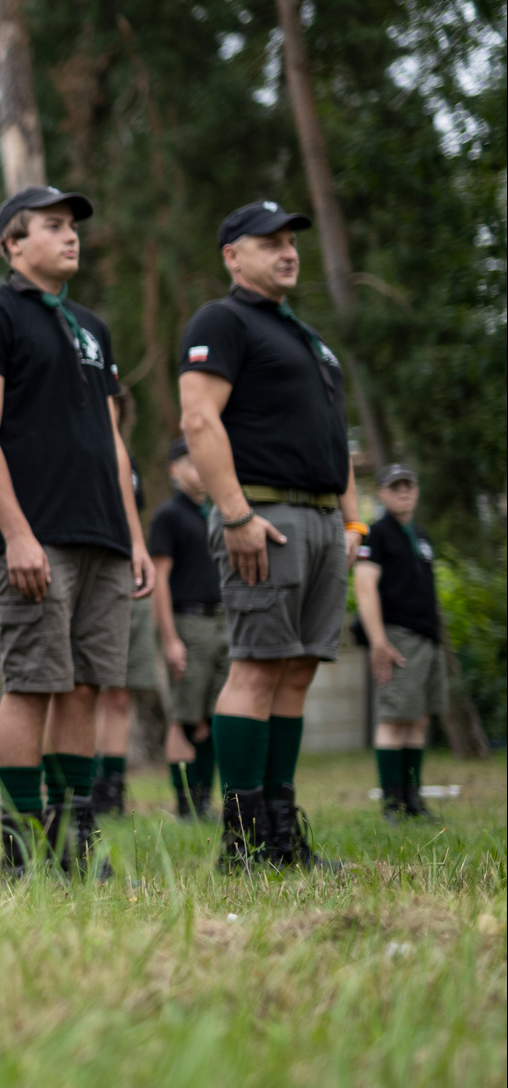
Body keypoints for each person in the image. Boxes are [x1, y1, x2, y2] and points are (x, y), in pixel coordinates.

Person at [0, 186, 153, 879]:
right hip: (37, 537)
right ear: (13, 243)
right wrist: (16, 534)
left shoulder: (91, 327)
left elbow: (112, 440)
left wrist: (134, 536)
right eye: (54, 226)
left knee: (86, 687)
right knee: (33, 684)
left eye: (73, 226)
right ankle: (19, 846)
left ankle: (74, 842)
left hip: (104, 535)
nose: (72, 236)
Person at [179, 201, 358, 871]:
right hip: (264, 517)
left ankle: (281, 835)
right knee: (256, 668)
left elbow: (334, 436)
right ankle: (245, 841)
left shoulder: (305, 336)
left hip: (322, 519)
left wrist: (353, 522)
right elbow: (199, 419)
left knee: (297, 670)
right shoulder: (221, 321)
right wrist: (235, 514)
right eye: (271, 242)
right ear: (233, 256)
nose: (288, 252)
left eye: (292, 242)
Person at [355, 465, 446, 821]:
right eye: (395, 486)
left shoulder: (420, 535)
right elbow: (364, 586)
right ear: (381, 493)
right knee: (394, 719)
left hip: (427, 638)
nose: (404, 491)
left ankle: (413, 801)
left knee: (418, 719)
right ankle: (393, 805)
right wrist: (378, 641)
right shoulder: (376, 534)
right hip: (397, 637)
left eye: (409, 485)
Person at [149, 437, 228, 819]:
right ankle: (185, 805)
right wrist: (170, 639)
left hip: (220, 622)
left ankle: (203, 801)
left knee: (212, 715)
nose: (199, 470)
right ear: (175, 470)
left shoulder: (214, 514)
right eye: (191, 463)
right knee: (185, 717)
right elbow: (159, 579)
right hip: (187, 624)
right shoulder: (169, 515)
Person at [89, 400, 160, 817]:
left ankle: (112, 791)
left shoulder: (127, 462)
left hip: (127, 579)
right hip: (89, 575)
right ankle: (80, 787)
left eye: (115, 401)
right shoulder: (76, 448)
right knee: (81, 692)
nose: (109, 406)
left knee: (120, 695)